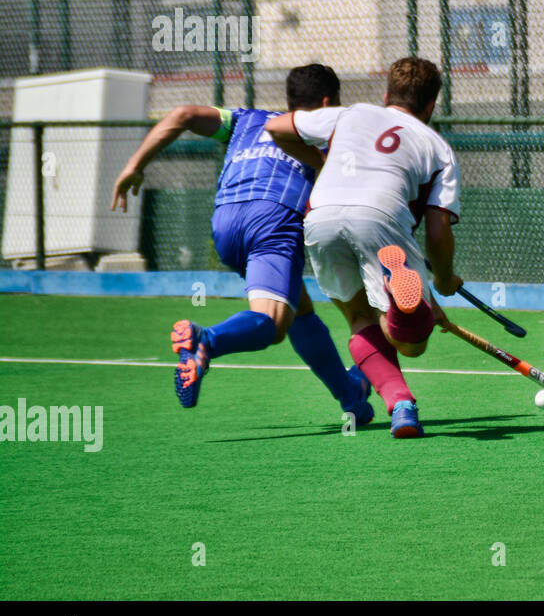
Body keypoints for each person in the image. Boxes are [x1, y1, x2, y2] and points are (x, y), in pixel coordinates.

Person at [111, 64, 374, 424]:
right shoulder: (328, 133)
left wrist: (134, 164)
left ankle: (351, 397)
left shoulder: (247, 119)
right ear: (328, 102)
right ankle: (207, 341)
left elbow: (182, 114)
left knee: (299, 310)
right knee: (272, 323)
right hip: (273, 218)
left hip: (226, 221)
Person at [265, 57, 463, 439]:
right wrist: (443, 279)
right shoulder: (438, 148)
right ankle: (405, 308)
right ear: (431, 106)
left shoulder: (348, 114)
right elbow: (438, 234)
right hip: (381, 217)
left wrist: (322, 162)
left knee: (358, 318)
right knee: (411, 345)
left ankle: (401, 404)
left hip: (321, 214)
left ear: (387, 94)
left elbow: (275, 126)